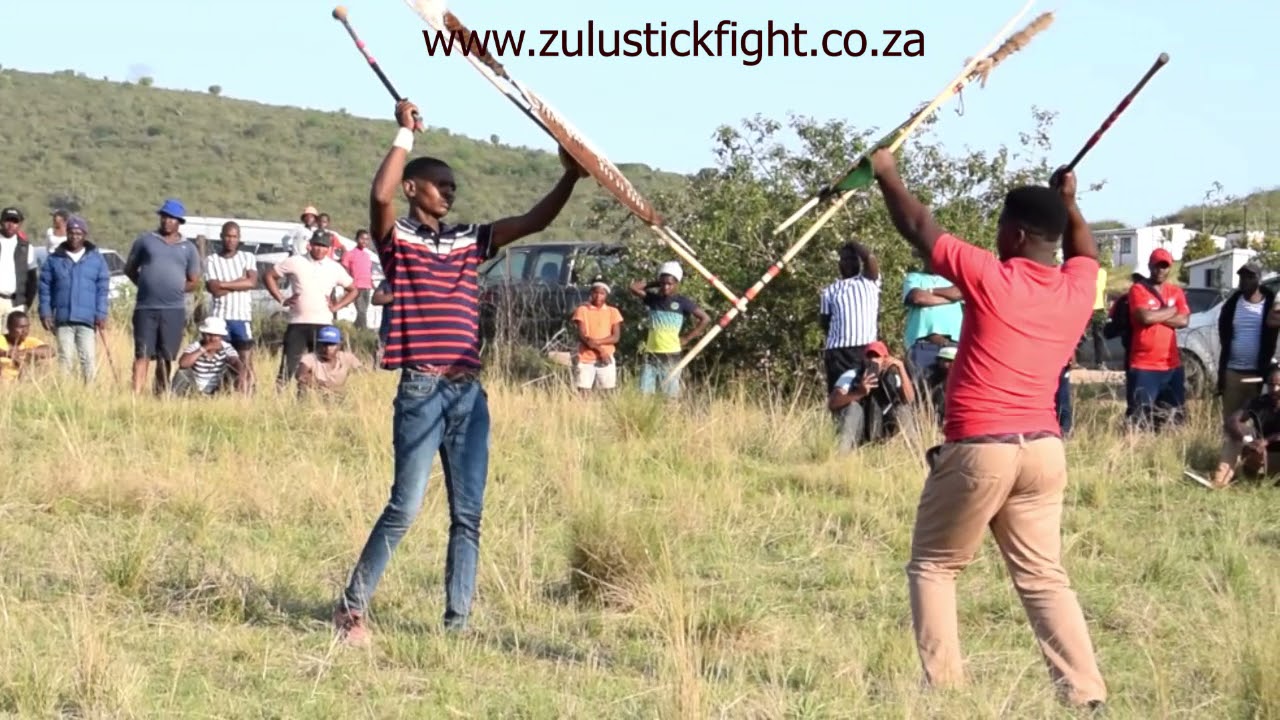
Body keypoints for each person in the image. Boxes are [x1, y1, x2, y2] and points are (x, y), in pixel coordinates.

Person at [333, 99, 588, 645]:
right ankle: (351, 609)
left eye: (453, 187)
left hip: (467, 392)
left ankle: (457, 626)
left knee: (468, 515)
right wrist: (403, 134)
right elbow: (377, 195)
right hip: (422, 388)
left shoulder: (470, 239)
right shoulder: (397, 240)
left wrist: (568, 177)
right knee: (404, 506)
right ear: (413, 189)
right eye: (440, 185)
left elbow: (535, 220)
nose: (449, 193)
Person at [868, 147, 1107, 710]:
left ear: (1019, 234)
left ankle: (947, 695)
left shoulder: (991, 277)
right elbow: (1086, 251)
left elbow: (920, 228)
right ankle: (1085, 692)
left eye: (1001, 225)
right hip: (1044, 450)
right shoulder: (1077, 288)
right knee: (1045, 578)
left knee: (935, 565)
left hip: (981, 447)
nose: (995, 234)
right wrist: (1070, 205)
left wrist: (887, 174)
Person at [124, 199, 203, 395]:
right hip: (146, 307)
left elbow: (194, 280)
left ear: (179, 222)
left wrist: (175, 289)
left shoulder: (189, 248)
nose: (167, 221)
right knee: (142, 353)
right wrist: (145, 284)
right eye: (165, 217)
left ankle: (161, 394)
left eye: (172, 218)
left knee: (165, 355)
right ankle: (135, 395)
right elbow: (130, 269)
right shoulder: (145, 241)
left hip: (173, 309)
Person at [264, 230, 358, 389]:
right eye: (317, 245)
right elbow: (269, 276)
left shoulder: (334, 267)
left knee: (320, 367)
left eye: (323, 246)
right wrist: (281, 299)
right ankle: (279, 402)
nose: (320, 249)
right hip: (298, 323)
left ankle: (314, 400)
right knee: (289, 366)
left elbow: (354, 290)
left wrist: (337, 306)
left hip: (323, 325)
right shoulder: (295, 261)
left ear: (329, 249)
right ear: (309, 245)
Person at [37, 215, 110, 381]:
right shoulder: (54, 259)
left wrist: (101, 313)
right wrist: (45, 312)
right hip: (63, 318)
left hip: (87, 319)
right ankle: (65, 393)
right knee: (65, 359)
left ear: (84, 235)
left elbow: (102, 289)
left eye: (78, 233)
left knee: (88, 359)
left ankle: (90, 395)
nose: (74, 236)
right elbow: (45, 288)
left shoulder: (96, 259)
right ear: (66, 233)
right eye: (71, 232)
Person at [1125, 248, 1190, 430]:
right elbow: (1144, 318)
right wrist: (1171, 311)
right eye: (1157, 266)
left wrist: (1157, 315)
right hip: (1144, 365)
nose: (1160, 270)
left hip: (1171, 366)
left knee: (1173, 417)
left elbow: (1184, 320)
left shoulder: (1175, 291)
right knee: (1140, 419)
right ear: (1149, 266)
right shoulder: (1138, 290)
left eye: (1165, 266)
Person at [628, 261, 710, 398]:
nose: (666, 287)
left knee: (670, 396)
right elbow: (633, 288)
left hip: (671, 355)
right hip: (651, 354)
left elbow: (705, 319)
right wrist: (656, 282)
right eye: (663, 283)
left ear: (676, 284)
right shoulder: (653, 299)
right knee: (644, 394)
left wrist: (687, 338)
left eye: (669, 284)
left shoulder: (682, 302)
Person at [827, 341, 916, 452]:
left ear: (885, 359)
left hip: (885, 430)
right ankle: (842, 455)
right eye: (869, 356)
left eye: (877, 356)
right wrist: (859, 393)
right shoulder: (851, 376)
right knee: (853, 408)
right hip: (859, 429)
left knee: (902, 409)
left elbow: (909, 399)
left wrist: (901, 368)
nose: (872, 360)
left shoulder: (893, 378)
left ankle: (913, 452)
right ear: (864, 359)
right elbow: (832, 403)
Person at [1216, 261, 1277, 422]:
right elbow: (1224, 335)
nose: (1244, 280)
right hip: (1233, 373)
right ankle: (1233, 448)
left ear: (1259, 280)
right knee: (1232, 423)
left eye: (1250, 277)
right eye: (1242, 277)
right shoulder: (1232, 305)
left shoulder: (1270, 304)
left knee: (1259, 423)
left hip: (1259, 375)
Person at [818, 241, 881, 392]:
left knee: (867, 392)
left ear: (858, 262)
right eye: (844, 259)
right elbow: (825, 322)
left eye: (852, 259)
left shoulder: (869, 281)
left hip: (865, 349)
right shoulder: (829, 291)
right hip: (838, 353)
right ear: (839, 263)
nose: (848, 263)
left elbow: (870, 258)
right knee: (840, 395)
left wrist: (853, 243)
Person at [204, 221, 259, 389]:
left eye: (234, 237)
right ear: (221, 237)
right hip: (219, 318)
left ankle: (247, 392)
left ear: (239, 238)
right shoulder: (211, 260)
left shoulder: (247, 257)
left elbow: (251, 282)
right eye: (227, 236)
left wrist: (224, 284)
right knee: (220, 358)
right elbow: (214, 289)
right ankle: (220, 391)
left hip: (241, 317)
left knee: (245, 358)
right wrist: (239, 281)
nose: (230, 240)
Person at [1208, 363, 1280, 488]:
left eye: (1279, 385)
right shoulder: (1259, 402)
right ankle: (1219, 482)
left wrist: (1266, 441)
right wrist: (1247, 440)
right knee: (1234, 437)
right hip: (1258, 457)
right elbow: (1232, 421)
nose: (1274, 389)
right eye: (1271, 385)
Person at [902, 250, 963, 378]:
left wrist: (930, 292)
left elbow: (959, 293)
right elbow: (917, 298)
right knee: (921, 389)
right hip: (923, 346)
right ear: (923, 258)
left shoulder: (954, 278)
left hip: (953, 345)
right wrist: (948, 299)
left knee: (951, 390)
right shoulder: (913, 277)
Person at [570, 280, 623, 395]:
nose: (598, 296)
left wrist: (595, 342)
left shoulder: (613, 312)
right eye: (596, 292)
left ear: (606, 295)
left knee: (607, 392)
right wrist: (600, 350)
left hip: (607, 358)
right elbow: (582, 336)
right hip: (586, 357)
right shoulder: (582, 310)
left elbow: (615, 337)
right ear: (591, 293)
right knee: (583, 392)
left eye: (602, 293)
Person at [171, 317, 247, 396]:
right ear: (203, 335)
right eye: (209, 335)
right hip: (195, 388)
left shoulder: (226, 347)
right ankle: (178, 397)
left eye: (216, 335)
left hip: (218, 388)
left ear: (221, 337)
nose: (212, 339)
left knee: (236, 371)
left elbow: (235, 360)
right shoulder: (195, 346)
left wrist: (242, 373)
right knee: (182, 371)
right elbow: (183, 364)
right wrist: (204, 348)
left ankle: (230, 397)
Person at [296, 325, 363, 397]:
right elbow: (300, 375)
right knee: (303, 386)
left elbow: (364, 374)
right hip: (317, 395)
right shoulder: (310, 358)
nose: (327, 348)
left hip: (341, 395)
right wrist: (321, 385)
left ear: (339, 346)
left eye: (331, 344)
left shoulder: (347, 358)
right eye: (324, 344)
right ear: (318, 345)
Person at [0, 206, 37, 323]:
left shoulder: (26, 248)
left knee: (11, 340)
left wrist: (26, 304)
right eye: (8, 220)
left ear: (20, 224)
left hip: (15, 303)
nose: (11, 224)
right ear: (1, 221)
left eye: (15, 221)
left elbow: (32, 280)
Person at [0, 311, 53, 381]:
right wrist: (6, 354)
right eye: (21, 327)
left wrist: (23, 352)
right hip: (3, 381)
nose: (25, 331)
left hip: (21, 381)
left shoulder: (28, 341)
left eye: (27, 327)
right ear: (8, 327)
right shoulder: (2, 339)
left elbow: (50, 350)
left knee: (42, 361)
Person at [341, 229, 377, 329]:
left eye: (367, 239)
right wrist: (347, 285)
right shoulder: (350, 254)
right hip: (356, 286)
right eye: (362, 238)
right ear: (356, 239)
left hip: (367, 286)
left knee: (364, 309)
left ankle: (356, 327)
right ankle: (363, 330)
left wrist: (373, 284)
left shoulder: (367, 255)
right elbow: (344, 269)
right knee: (361, 310)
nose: (364, 241)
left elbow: (368, 271)